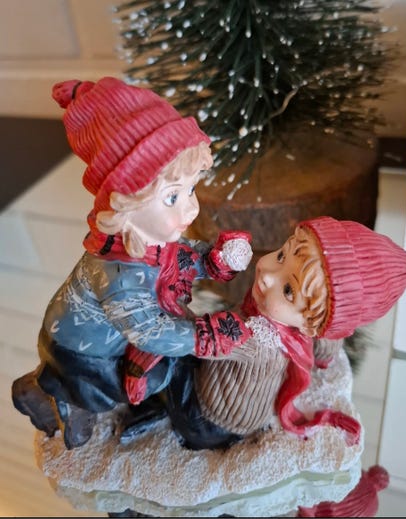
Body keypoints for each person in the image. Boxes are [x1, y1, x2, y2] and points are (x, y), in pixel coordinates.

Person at [11, 76, 254, 450]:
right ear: (125, 204)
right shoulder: (119, 272)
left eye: (190, 189)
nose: (191, 207)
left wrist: (212, 260)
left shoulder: (151, 244)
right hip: (83, 351)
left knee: (151, 372)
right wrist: (203, 336)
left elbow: (180, 260)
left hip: (108, 338)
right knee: (103, 390)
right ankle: (52, 397)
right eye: (172, 197)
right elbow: (150, 331)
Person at [122, 216, 406, 450]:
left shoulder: (253, 336)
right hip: (238, 411)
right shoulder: (307, 327)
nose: (267, 274)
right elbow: (329, 341)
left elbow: (187, 336)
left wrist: (164, 303)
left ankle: (153, 408)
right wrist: (325, 359)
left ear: (312, 324)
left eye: (288, 290)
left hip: (206, 421)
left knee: (170, 363)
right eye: (281, 256)